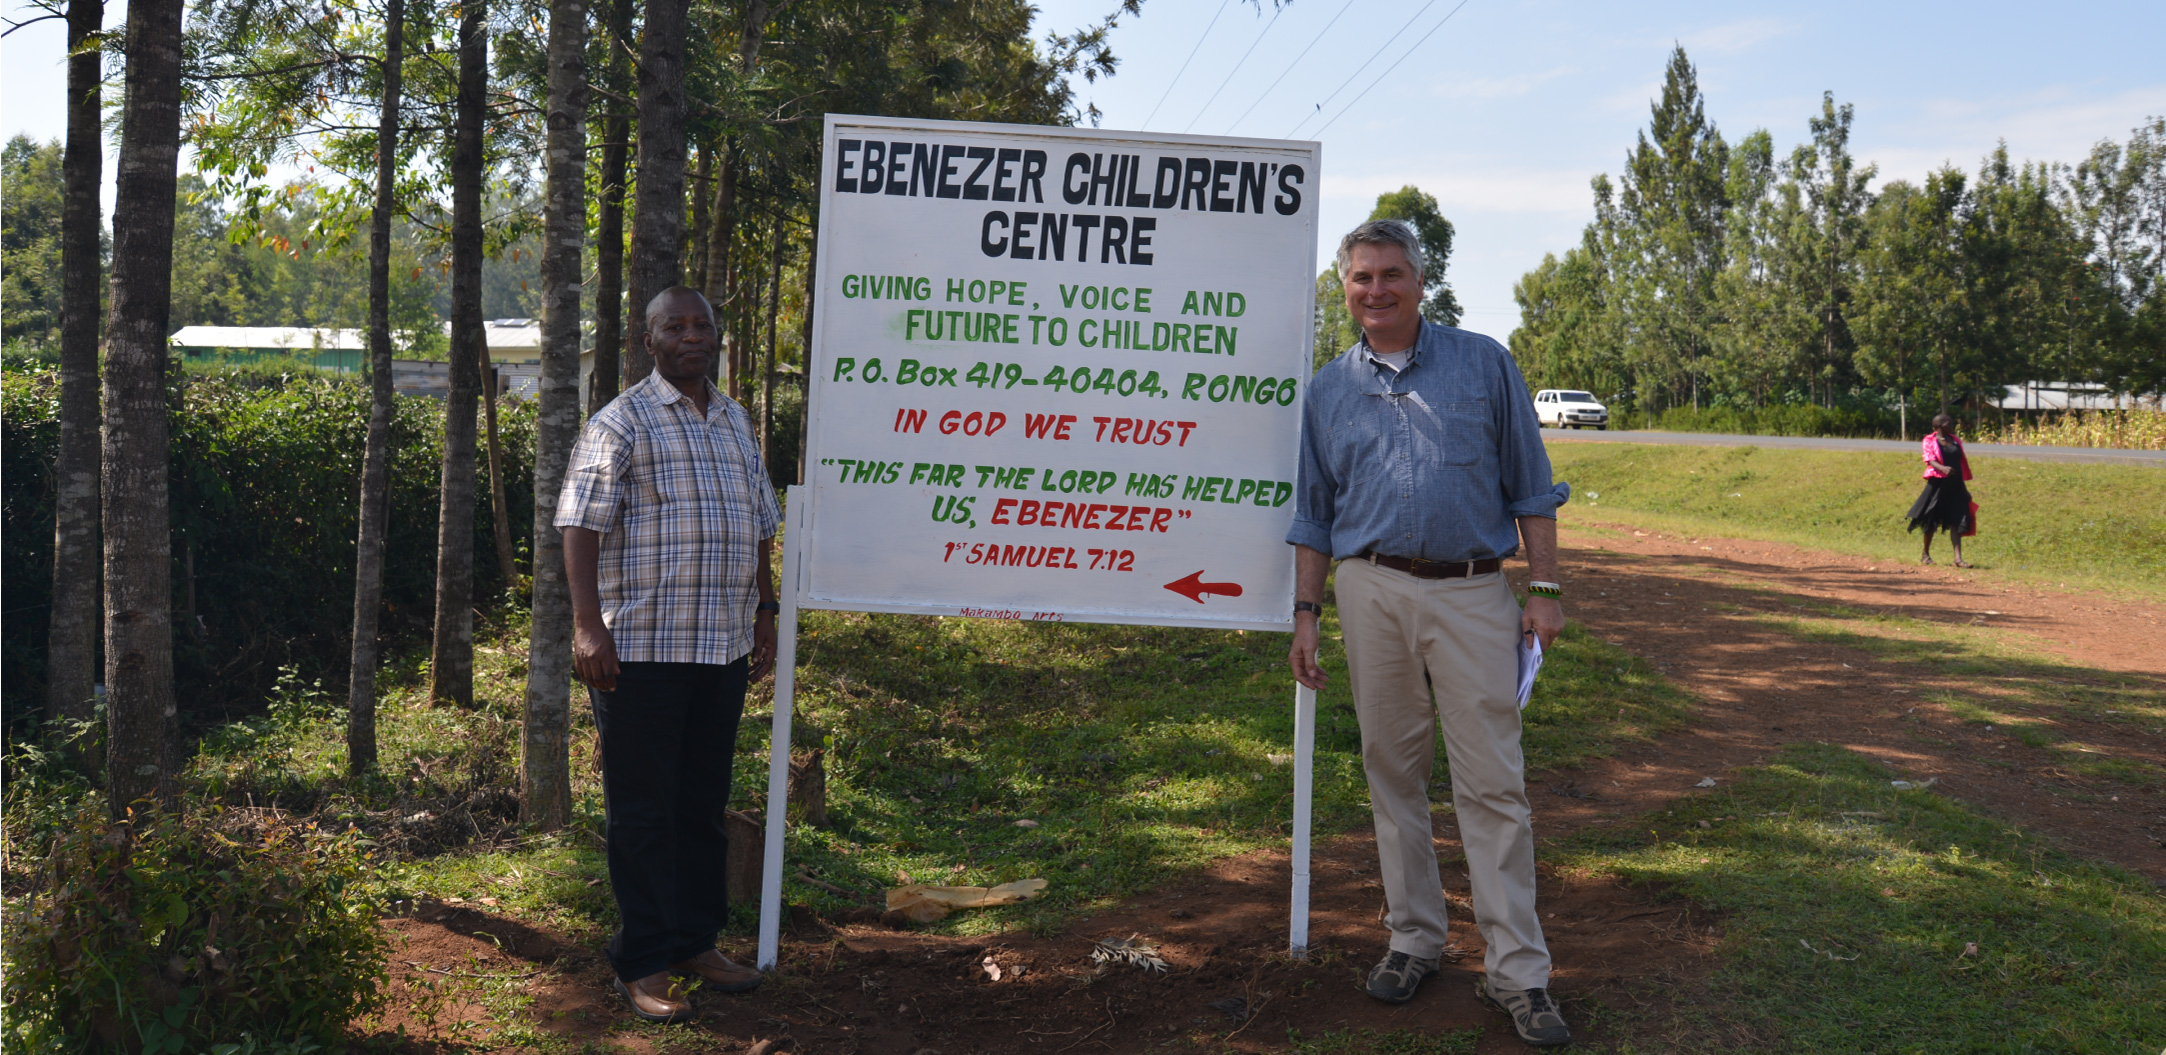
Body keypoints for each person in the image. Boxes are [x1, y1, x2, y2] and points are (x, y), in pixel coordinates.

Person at [1286, 220, 1573, 1047]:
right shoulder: (1328, 389)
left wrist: (1543, 588)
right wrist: (1307, 612)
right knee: (1392, 771)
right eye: (1361, 277)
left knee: (1493, 784)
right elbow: (1313, 513)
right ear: (1343, 287)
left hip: (1475, 592)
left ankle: (1518, 970)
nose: (1376, 290)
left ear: (1422, 280)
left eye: (1392, 275)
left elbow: (1531, 483)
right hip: (1368, 588)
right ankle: (1414, 938)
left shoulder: (1483, 362)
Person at [557, 286, 782, 1023]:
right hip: (640, 650)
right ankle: (643, 958)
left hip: (719, 646)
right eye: (674, 326)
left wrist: (766, 611)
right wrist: (588, 626)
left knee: (701, 804)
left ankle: (695, 940)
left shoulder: (735, 420)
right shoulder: (619, 422)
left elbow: (758, 525)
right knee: (643, 809)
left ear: (717, 337)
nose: (691, 336)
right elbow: (580, 526)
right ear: (648, 341)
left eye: (702, 325)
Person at [1906, 413, 1973, 567]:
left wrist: (1964, 489)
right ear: (1940, 426)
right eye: (1950, 423)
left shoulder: (1955, 440)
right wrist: (1942, 468)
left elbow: (1959, 464)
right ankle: (1925, 554)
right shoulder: (1929, 440)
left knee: (1957, 520)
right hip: (1937, 484)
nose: (1953, 425)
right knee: (1931, 520)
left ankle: (1958, 559)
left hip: (1955, 485)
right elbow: (1929, 458)